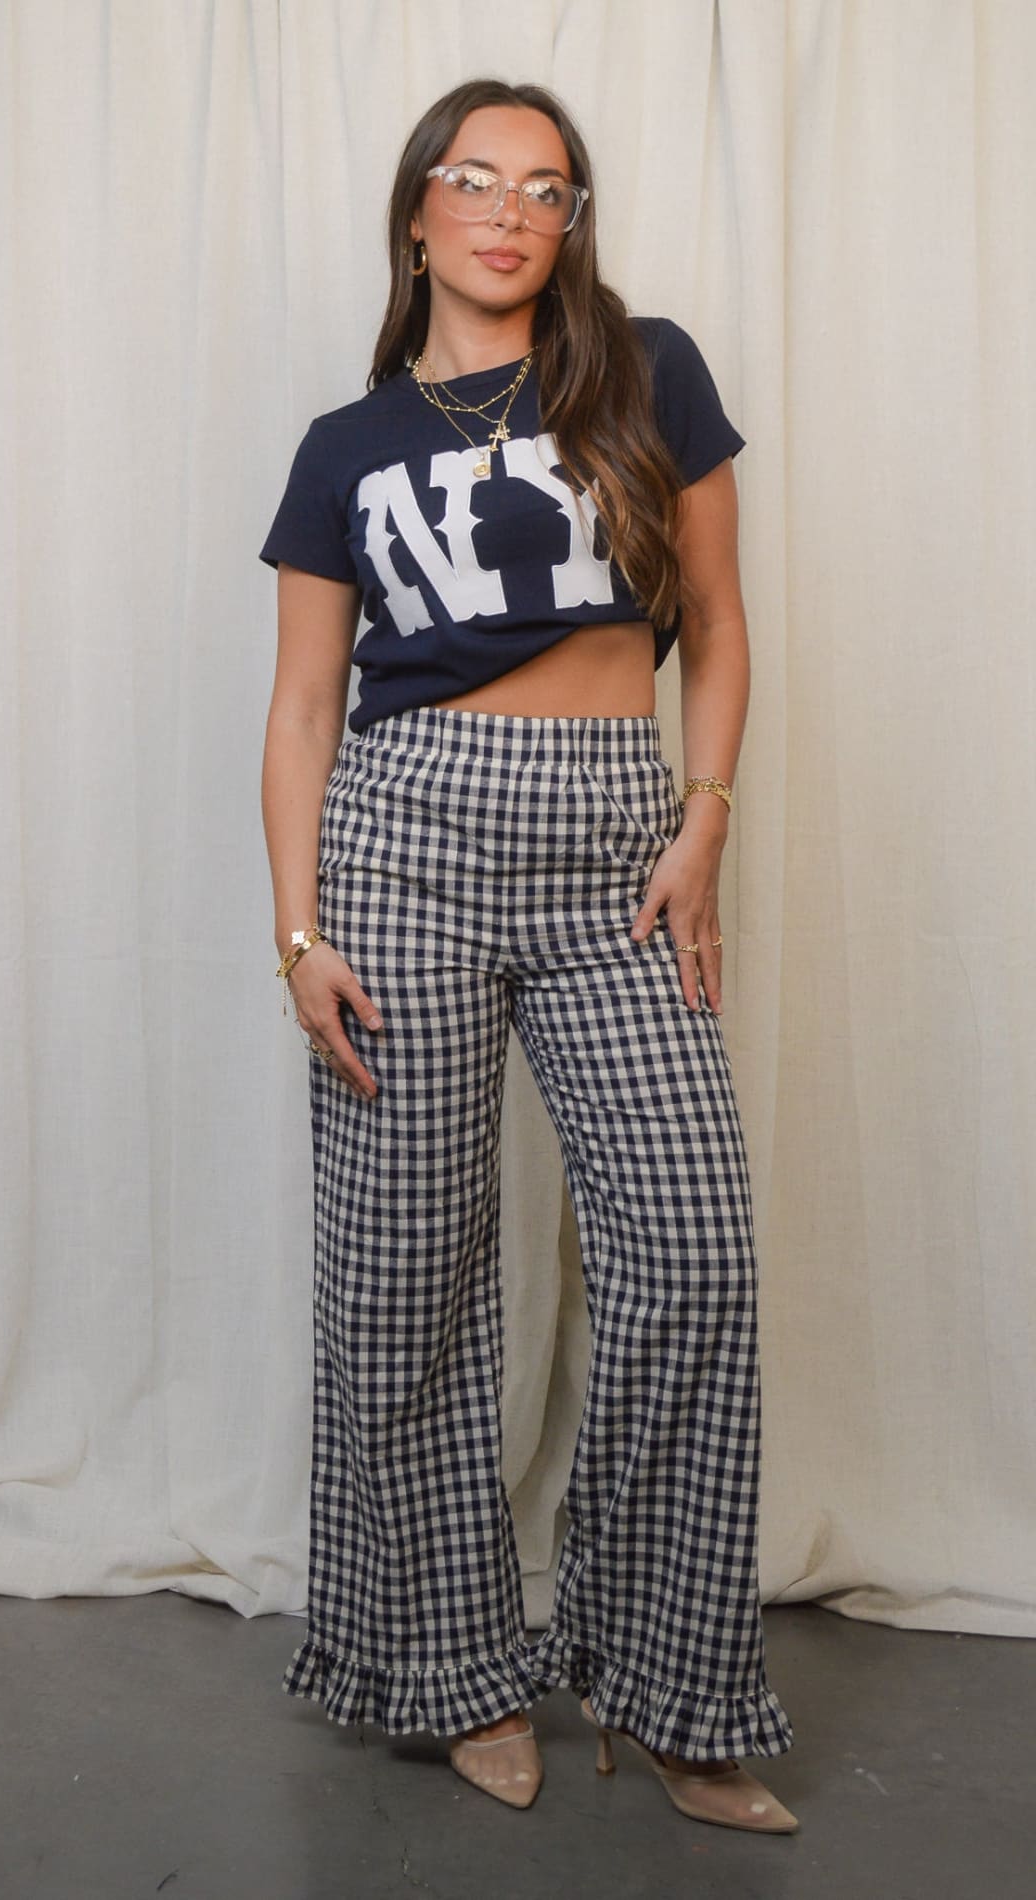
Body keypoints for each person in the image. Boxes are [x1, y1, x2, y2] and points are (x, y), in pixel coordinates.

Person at [259, 77, 798, 1834]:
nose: (508, 210)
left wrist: (702, 812)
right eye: (474, 180)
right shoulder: (348, 444)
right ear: (418, 211)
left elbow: (712, 624)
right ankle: (455, 1671)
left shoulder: (644, 367)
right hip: (402, 838)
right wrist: (298, 927)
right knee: (412, 1274)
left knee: (692, 1246)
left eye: (546, 188)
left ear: (572, 222)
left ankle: (670, 1680)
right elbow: (302, 705)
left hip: (616, 835)